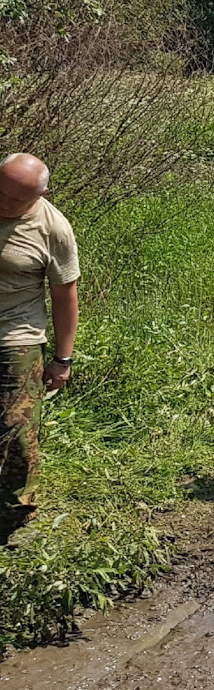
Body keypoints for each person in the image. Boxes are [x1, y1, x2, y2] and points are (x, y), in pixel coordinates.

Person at [0, 154, 78, 545]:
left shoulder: (53, 229)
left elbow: (64, 296)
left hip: (16, 338)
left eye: (13, 199)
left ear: (41, 193)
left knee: (15, 428)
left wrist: (62, 360)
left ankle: (17, 514)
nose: (3, 203)